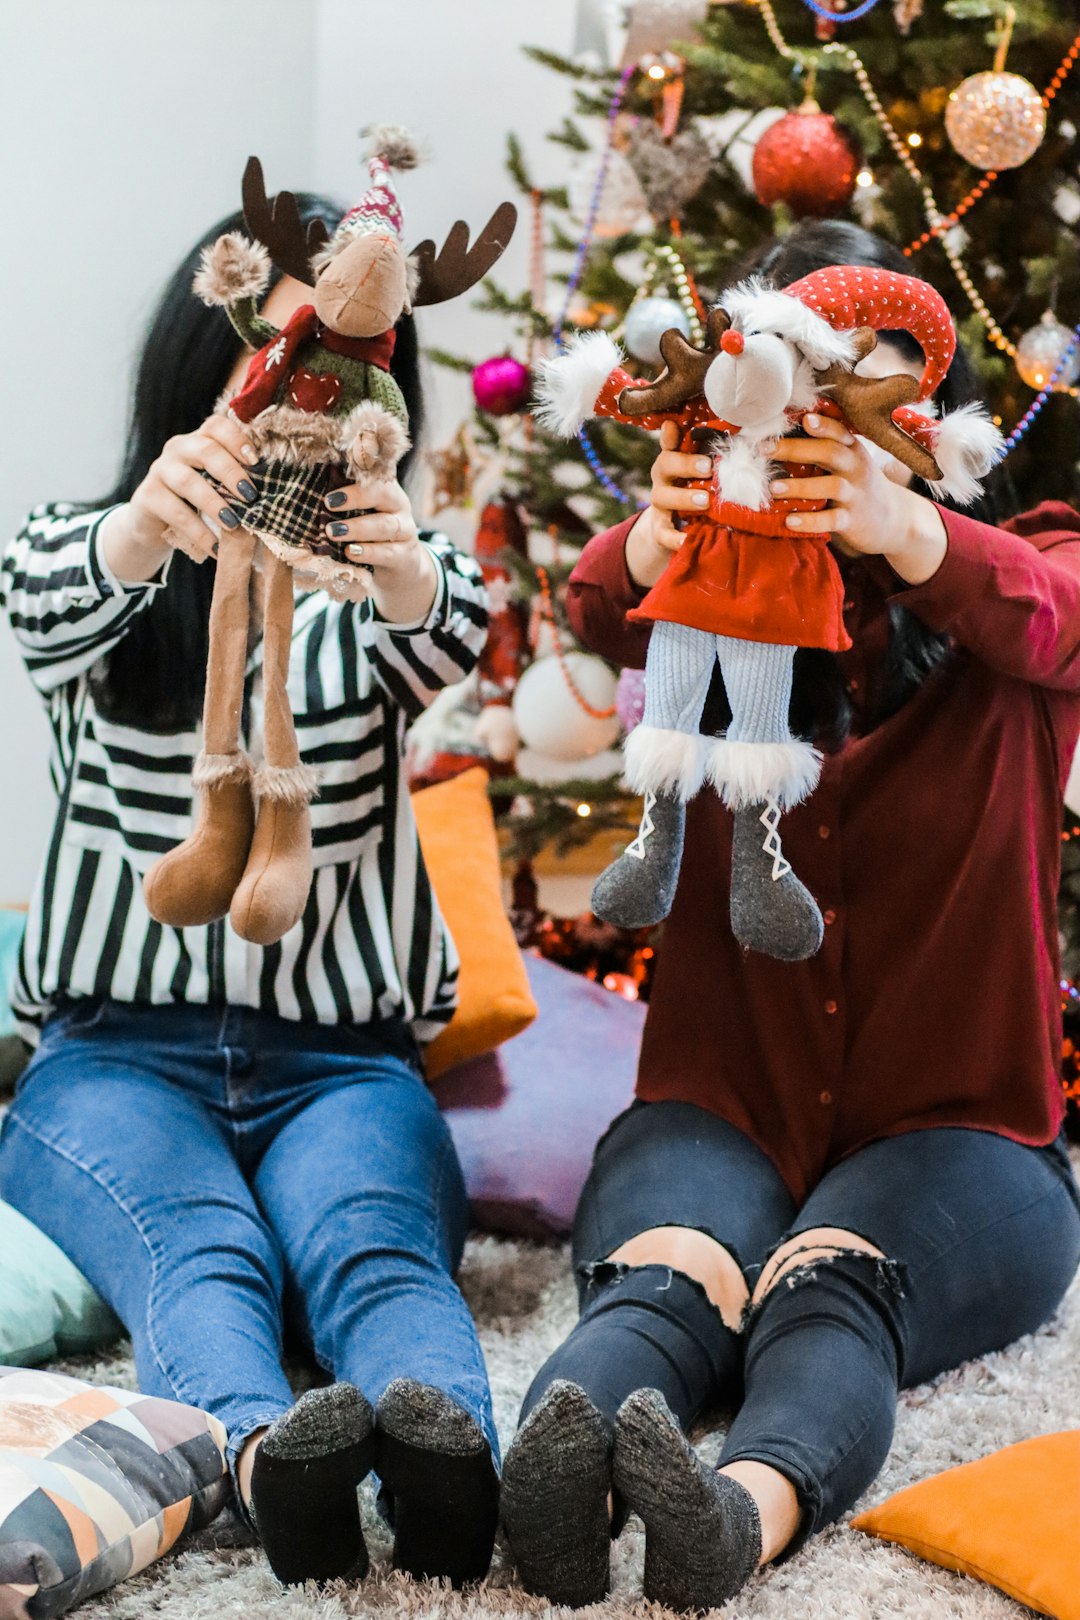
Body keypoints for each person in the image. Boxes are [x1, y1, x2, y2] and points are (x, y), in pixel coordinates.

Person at [499, 219, 1080, 1612]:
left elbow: (1059, 606)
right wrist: (663, 526)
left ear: (920, 404)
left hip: (967, 1135)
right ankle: (543, 1488)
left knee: (833, 1289)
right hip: (720, 1102)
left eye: (860, 386)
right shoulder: (704, 587)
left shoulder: (1022, 562)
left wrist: (905, 526)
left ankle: (736, 1522)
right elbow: (589, 606)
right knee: (666, 1286)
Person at [0, 195, 500, 1592]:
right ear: (201, 361)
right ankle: (260, 1464)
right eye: (268, 348)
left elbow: (455, 619)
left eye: (335, 355)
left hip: (344, 1061)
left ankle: (455, 1458)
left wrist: (395, 554)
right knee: (196, 1250)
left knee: (374, 1251)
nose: (295, 377)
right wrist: (141, 533)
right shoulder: (90, 554)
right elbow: (40, 592)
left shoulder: (378, 587)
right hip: (112, 1061)